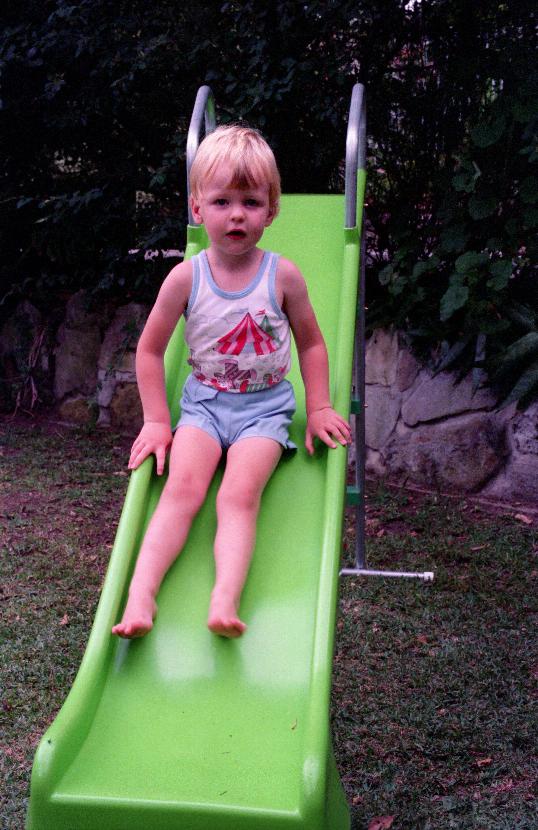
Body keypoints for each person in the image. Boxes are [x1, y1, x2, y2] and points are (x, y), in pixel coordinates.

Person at [112, 125, 351, 640]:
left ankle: (224, 599)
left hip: (265, 414)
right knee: (182, 490)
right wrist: (157, 420)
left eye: (250, 201)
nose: (237, 213)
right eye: (222, 201)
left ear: (271, 210)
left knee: (238, 497)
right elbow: (150, 350)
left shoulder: (282, 276)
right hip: (202, 407)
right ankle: (140, 596)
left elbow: (311, 342)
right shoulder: (185, 278)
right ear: (197, 208)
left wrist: (323, 405)